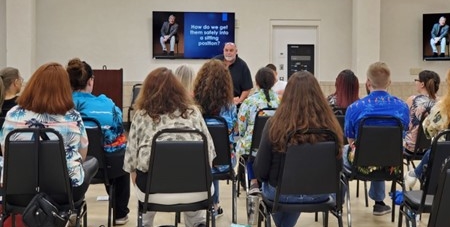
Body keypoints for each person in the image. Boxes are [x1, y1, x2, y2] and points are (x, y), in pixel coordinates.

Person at [123, 67, 216, 227]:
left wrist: (143, 193)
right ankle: (197, 222)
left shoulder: (141, 115)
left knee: (143, 179)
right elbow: (210, 154)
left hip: (153, 190)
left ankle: (145, 220)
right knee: (194, 176)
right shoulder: (194, 112)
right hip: (197, 188)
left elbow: (131, 161)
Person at [253, 71, 343, 227]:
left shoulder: (274, 125)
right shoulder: (331, 126)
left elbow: (261, 171)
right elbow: (338, 166)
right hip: (321, 193)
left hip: (281, 194)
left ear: (287, 96)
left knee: (281, 188)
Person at [0, 62, 97, 204]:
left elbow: (6, 152)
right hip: (64, 193)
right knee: (91, 162)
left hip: (18, 192)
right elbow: (81, 154)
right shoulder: (73, 117)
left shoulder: (13, 115)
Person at [66, 58, 130, 225]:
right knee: (122, 155)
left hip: (69, 167)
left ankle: (69, 209)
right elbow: (117, 133)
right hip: (105, 168)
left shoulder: (60, 104)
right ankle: (120, 213)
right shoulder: (107, 103)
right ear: (91, 81)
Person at [343, 62, 409, 216]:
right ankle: (379, 203)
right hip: (393, 163)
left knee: (342, 151)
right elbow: (404, 134)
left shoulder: (355, 108)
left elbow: (351, 141)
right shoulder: (402, 107)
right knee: (383, 148)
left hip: (360, 165)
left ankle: (336, 201)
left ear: (367, 82)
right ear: (389, 83)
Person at [193, 59, 237, 218]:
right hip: (224, 164)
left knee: (206, 156)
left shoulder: (193, 107)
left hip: (197, 162)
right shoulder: (230, 106)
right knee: (217, 154)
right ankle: (215, 204)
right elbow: (234, 137)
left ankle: (203, 203)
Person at [236, 67, 280, 195]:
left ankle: (254, 181)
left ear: (257, 82)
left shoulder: (249, 101)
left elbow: (242, 126)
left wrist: (244, 135)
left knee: (249, 149)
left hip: (253, 146)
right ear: (273, 82)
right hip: (275, 143)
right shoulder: (280, 101)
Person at [405, 69, 450, 189]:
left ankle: (412, 174)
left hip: (414, 147)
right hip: (432, 148)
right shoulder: (439, 101)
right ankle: (416, 173)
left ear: (422, 84)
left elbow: (427, 129)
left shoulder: (443, 106)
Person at [404, 70, 440, 153]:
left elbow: (406, 123)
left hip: (413, 147)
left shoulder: (412, 100)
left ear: (422, 84)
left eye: (416, 80)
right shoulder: (440, 103)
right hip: (434, 147)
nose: (415, 82)